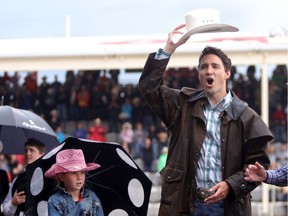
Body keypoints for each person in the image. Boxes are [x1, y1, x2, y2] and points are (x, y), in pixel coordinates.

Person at [138, 23, 273, 216]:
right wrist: (169, 49)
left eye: (215, 66)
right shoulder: (182, 105)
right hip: (185, 205)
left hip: (227, 207)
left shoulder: (247, 116)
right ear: (199, 74)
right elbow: (149, 88)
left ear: (227, 73)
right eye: (203, 67)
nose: (208, 71)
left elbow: (257, 165)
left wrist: (230, 184)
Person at [44, 149, 104, 216]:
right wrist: (78, 208)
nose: (79, 177)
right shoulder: (54, 200)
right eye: (74, 173)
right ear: (61, 177)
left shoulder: (92, 196)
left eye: (82, 172)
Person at [3, 138, 46, 216]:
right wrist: (13, 203)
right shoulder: (18, 179)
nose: (28, 153)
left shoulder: (49, 179)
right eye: (26, 150)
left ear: (42, 154)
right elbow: (6, 210)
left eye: (32, 150)